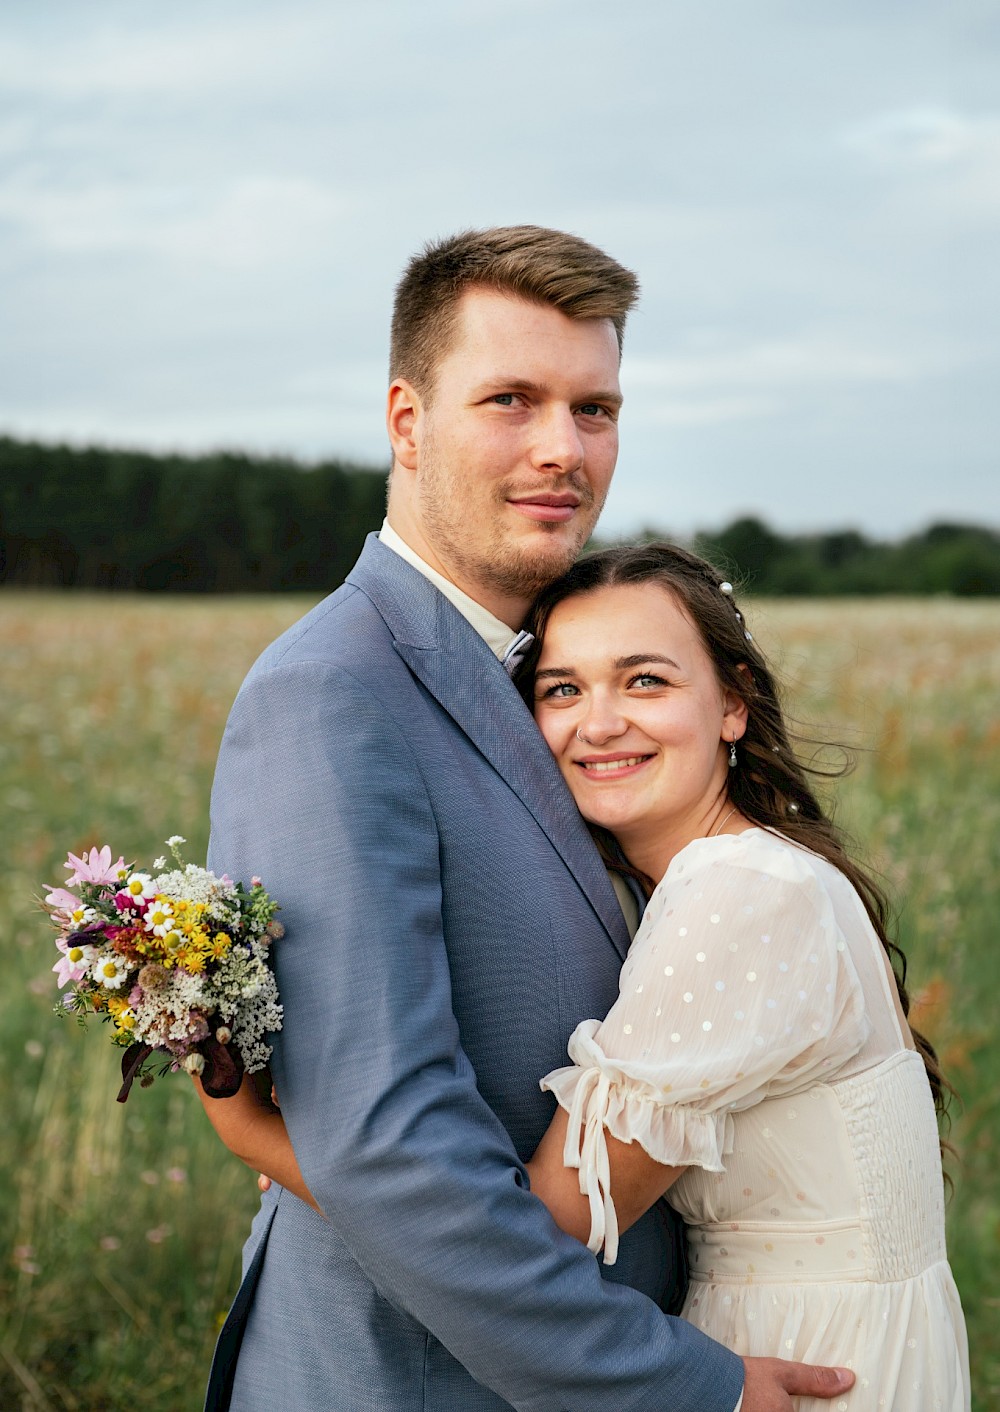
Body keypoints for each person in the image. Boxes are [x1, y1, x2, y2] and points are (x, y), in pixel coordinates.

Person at [200, 226, 855, 1411]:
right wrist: (678, 1382)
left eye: (594, 408)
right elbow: (388, 1150)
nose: (563, 449)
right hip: (409, 1378)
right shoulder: (331, 694)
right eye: (511, 399)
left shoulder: (559, 676)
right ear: (405, 421)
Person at [212, 541, 970, 1410]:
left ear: (733, 703)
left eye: (646, 680)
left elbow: (551, 1224)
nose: (599, 722)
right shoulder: (720, 877)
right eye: (562, 689)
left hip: (796, 1363)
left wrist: (269, 1134)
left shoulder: (742, 894)